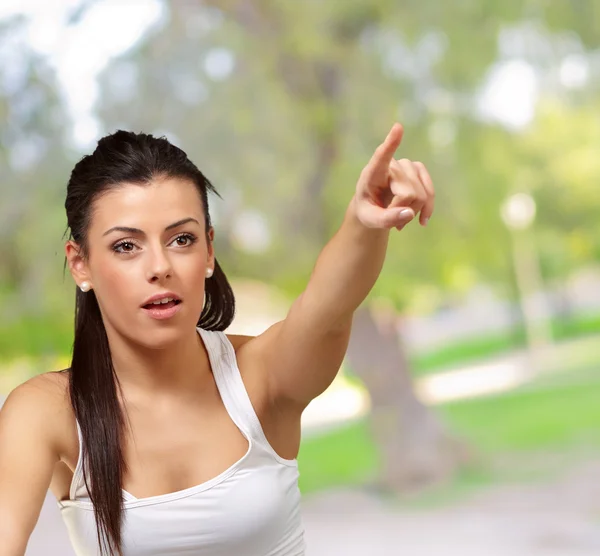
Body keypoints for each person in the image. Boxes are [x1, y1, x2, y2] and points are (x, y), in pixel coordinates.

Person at [0, 123, 434, 556]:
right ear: (81, 265)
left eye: (181, 239)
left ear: (208, 251)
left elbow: (327, 309)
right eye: (126, 246)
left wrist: (364, 221)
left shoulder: (259, 377)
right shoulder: (47, 411)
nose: (160, 266)